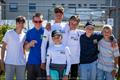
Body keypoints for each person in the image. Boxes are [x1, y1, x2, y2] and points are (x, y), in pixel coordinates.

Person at [1, 16, 26, 80]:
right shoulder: (9, 33)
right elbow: (3, 47)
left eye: (23, 22)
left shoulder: (25, 35)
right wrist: (2, 61)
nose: (21, 24)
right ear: (16, 23)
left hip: (21, 64)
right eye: (19, 22)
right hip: (9, 63)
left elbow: (24, 49)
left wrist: (25, 60)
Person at [24, 13, 46, 80]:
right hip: (31, 62)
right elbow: (26, 48)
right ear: (33, 21)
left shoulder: (46, 31)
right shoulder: (29, 32)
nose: (38, 23)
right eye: (36, 21)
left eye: (40, 21)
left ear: (43, 21)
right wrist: (29, 44)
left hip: (42, 63)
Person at [65, 15, 84, 80]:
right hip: (65, 60)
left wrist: (112, 38)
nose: (73, 25)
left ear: (78, 24)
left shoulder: (80, 32)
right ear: (69, 23)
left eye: (75, 24)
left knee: (73, 78)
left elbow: (95, 33)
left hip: (75, 61)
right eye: (72, 23)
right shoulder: (64, 32)